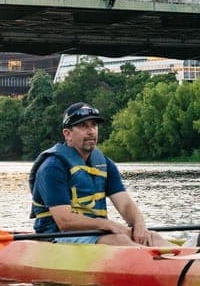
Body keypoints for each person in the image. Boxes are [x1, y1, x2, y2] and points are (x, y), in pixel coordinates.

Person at [29, 102, 170, 247]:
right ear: (67, 134)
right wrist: (108, 225)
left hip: (96, 232)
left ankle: (188, 263)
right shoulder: (52, 167)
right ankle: (156, 263)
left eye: (94, 125)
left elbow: (125, 204)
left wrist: (140, 225)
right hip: (56, 236)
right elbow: (65, 221)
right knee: (120, 241)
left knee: (154, 238)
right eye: (83, 126)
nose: (91, 131)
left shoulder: (105, 164)